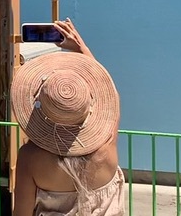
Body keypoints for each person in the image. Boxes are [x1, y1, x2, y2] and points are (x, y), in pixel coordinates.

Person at [12, 19, 123, 216]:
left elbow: (22, 213)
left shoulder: (30, 158)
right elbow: (111, 94)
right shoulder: (107, 145)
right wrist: (81, 48)